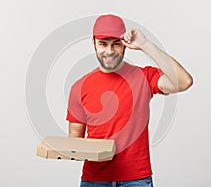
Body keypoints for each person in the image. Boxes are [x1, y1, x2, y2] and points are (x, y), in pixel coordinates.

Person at [66, 14, 193, 187]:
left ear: (124, 44)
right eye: (103, 44)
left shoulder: (144, 77)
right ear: (93, 43)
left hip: (136, 180)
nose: (109, 51)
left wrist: (145, 45)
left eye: (116, 44)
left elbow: (184, 81)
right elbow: (75, 140)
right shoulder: (79, 87)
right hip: (94, 180)